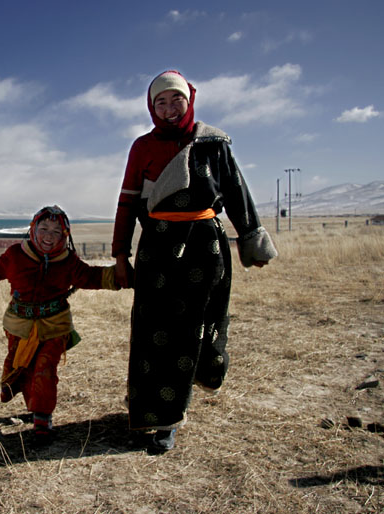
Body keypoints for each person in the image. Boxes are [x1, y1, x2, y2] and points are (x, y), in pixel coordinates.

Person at [112, 70, 277, 452]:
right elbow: (126, 203)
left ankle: (171, 417)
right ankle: (151, 411)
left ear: (191, 100)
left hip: (204, 246)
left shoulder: (212, 144)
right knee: (152, 333)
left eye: (176, 100)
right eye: (160, 102)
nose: (169, 109)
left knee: (191, 330)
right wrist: (120, 253)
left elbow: (237, 192)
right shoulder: (141, 147)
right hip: (157, 248)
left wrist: (252, 237)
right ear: (151, 107)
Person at [0, 205, 119, 442]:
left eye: (56, 231)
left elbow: (91, 277)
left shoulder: (69, 262)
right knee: (24, 368)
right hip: (19, 326)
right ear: (33, 229)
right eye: (43, 228)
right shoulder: (16, 255)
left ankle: (42, 419)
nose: (48, 236)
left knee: (45, 371)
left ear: (65, 236)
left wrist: (122, 276)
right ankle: (35, 407)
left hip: (55, 327)